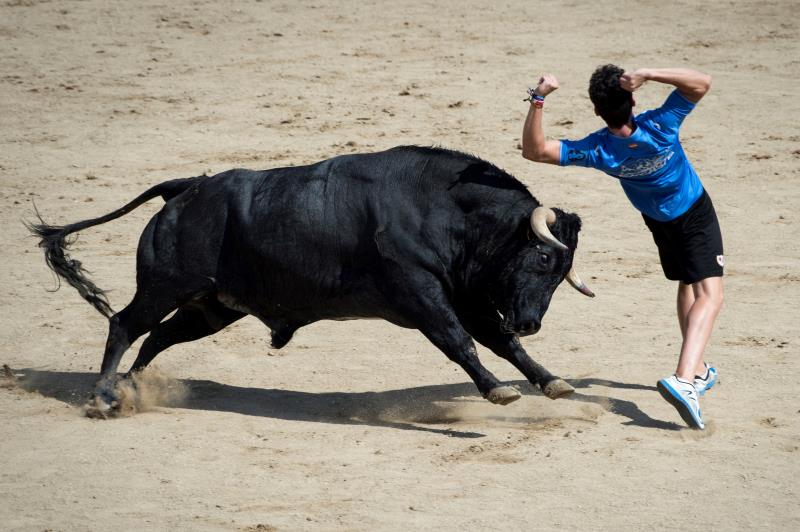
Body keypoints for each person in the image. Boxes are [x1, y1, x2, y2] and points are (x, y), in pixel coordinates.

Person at [521, 65, 723, 429]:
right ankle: (683, 379)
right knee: (711, 294)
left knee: (688, 283)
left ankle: (699, 369)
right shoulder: (660, 123)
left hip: (658, 221)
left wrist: (539, 98)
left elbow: (534, 151)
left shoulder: (599, 149)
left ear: (597, 111)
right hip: (693, 213)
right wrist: (650, 73)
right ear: (632, 99)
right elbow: (702, 81)